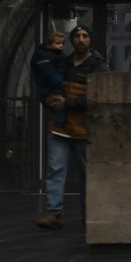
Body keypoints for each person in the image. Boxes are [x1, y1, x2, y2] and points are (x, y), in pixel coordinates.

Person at [36, 24, 108, 231]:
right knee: (55, 169)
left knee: (88, 174)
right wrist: (48, 100)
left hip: (85, 129)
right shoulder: (63, 63)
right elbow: (47, 85)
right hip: (60, 127)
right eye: (77, 36)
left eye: (85, 36)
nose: (81, 39)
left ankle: (89, 215)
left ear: (90, 40)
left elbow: (99, 97)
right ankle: (53, 213)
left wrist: (67, 104)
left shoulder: (98, 66)